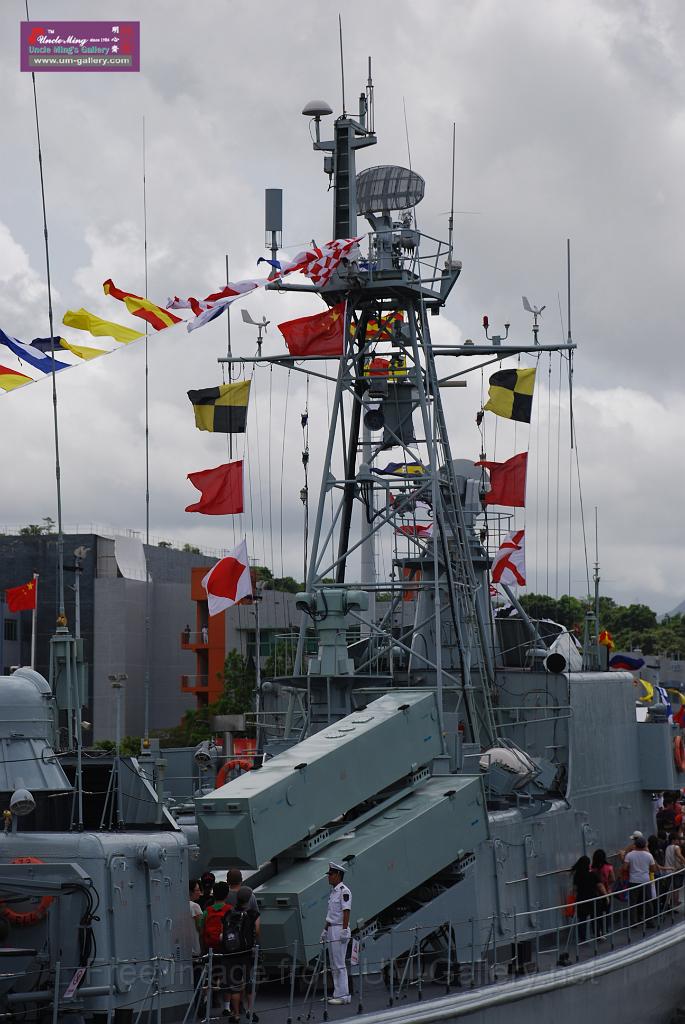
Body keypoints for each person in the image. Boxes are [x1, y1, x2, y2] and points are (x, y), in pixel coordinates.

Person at [223, 886, 260, 1023]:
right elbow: (257, 931)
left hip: (231, 954)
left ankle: (236, 1014)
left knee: (234, 985)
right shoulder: (252, 914)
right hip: (246, 953)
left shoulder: (228, 913)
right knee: (250, 982)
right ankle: (250, 1011)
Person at [320, 862, 352, 1005]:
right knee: (333, 963)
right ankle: (337, 993)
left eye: (331, 875)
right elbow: (330, 914)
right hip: (333, 928)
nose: (329, 877)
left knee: (339, 963)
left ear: (338, 875)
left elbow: (346, 911)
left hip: (340, 929)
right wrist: (325, 929)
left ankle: (344, 995)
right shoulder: (333, 892)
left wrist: (345, 930)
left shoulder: (344, 891)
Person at [200, 881, 232, 1017]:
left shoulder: (207, 911)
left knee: (209, 977)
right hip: (225, 949)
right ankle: (227, 1007)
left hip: (210, 948)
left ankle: (205, 1000)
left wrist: (203, 948)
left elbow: (201, 931)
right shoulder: (230, 909)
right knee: (228, 977)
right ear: (227, 894)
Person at [624, 834, 657, 925]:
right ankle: (650, 921)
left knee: (633, 903)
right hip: (645, 880)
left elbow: (625, 868)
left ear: (635, 844)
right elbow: (653, 869)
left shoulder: (629, 855)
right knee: (647, 901)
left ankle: (633, 922)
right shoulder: (649, 855)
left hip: (633, 881)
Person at [571, 856, 604, 943]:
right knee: (595, 917)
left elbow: (574, 888)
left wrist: (574, 899)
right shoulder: (592, 874)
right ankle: (597, 935)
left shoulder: (577, 875)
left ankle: (582, 938)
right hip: (593, 898)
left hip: (581, 899)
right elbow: (600, 885)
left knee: (582, 919)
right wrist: (606, 895)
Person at [590, 850, 614, 937]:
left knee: (597, 913)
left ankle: (598, 931)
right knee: (607, 912)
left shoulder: (591, 868)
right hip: (607, 892)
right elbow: (612, 879)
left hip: (596, 894)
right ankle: (606, 929)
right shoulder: (609, 867)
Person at [664, 832, 685, 907]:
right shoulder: (676, 847)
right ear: (673, 840)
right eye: (677, 840)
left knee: (670, 889)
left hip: (668, 871)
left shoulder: (667, 847)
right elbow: (679, 855)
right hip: (676, 871)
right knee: (676, 888)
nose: (678, 841)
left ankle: (669, 904)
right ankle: (675, 903)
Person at [189, 879, 203, 957]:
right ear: (190, 891)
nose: (199, 893)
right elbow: (200, 927)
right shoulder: (195, 906)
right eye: (197, 890)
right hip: (195, 947)